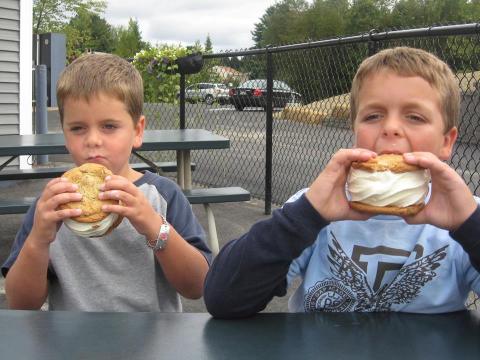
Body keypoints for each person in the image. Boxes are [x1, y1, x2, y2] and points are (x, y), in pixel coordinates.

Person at [204, 47, 480, 317]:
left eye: (415, 117)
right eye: (373, 116)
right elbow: (223, 299)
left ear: (447, 142)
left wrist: (469, 224)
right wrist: (307, 214)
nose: (390, 128)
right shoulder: (315, 209)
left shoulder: (462, 214)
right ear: (354, 130)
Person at [2, 53, 211, 311]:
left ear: (137, 131)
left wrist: (155, 227)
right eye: (78, 128)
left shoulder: (162, 196)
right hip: (73, 347)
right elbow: (22, 304)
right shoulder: (52, 205)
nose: (93, 140)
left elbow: (197, 285)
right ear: (65, 135)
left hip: (152, 346)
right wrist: (38, 240)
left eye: (109, 126)